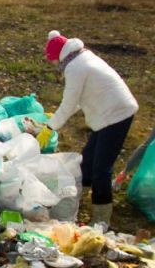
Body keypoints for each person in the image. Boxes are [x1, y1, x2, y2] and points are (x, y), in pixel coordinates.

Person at [36, 30, 139, 226]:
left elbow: (69, 102)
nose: (54, 65)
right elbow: (75, 102)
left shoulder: (75, 68)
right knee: (86, 161)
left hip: (116, 114)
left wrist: (50, 127)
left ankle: (101, 219)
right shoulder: (81, 57)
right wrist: (58, 117)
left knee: (101, 168)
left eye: (52, 61)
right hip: (107, 113)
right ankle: (74, 200)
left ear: (58, 56)